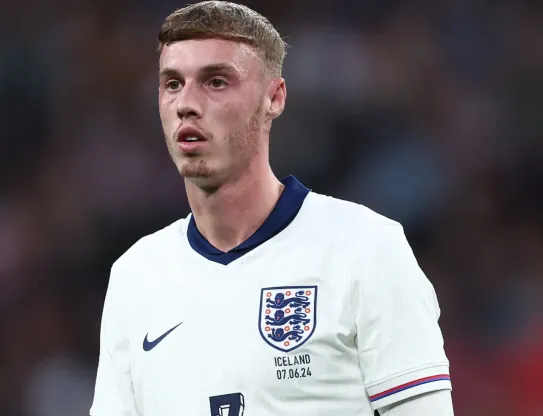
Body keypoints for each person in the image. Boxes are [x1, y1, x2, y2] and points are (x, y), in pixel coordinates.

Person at [90, 1, 454, 415]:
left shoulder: (365, 249)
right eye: (173, 83)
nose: (187, 103)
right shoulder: (134, 277)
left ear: (274, 98)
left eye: (216, 82)